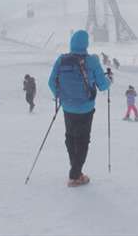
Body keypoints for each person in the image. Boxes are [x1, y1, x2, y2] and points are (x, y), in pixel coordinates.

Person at [48, 30, 111, 187]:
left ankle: (76, 170)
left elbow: (51, 83)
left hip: (67, 107)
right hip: (85, 108)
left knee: (70, 137)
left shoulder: (61, 60)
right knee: (83, 140)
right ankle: (75, 175)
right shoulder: (93, 61)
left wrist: (61, 96)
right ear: (86, 44)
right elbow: (103, 86)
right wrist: (109, 79)